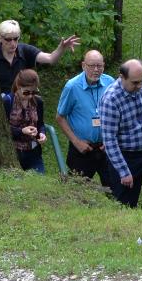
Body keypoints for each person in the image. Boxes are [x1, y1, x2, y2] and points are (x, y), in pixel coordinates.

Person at [100, 59, 142, 208]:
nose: (140, 86)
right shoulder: (110, 100)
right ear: (122, 77)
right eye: (135, 83)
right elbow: (109, 140)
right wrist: (124, 172)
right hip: (126, 156)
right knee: (125, 205)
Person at [56, 50, 118, 185]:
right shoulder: (72, 86)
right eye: (91, 66)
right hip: (82, 149)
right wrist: (76, 142)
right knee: (78, 191)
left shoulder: (110, 83)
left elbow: (117, 113)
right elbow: (60, 117)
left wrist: (112, 139)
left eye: (99, 66)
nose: (96, 70)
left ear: (104, 66)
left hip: (105, 147)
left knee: (114, 191)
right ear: (83, 65)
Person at [0, 20, 80, 104]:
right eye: (8, 39)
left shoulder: (25, 50)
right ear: (0, 38)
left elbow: (50, 59)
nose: (13, 43)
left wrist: (62, 48)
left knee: (39, 102)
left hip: (25, 101)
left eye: (16, 38)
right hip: (1, 104)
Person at [7, 68, 50, 172]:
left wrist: (42, 134)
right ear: (18, 86)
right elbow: (2, 129)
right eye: (26, 92)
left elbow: (40, 124)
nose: (30, 95)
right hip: (14, 153)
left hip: (34, 153)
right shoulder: (8, 101)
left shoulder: (38, 101)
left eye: (34, 92)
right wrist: (21, 131)